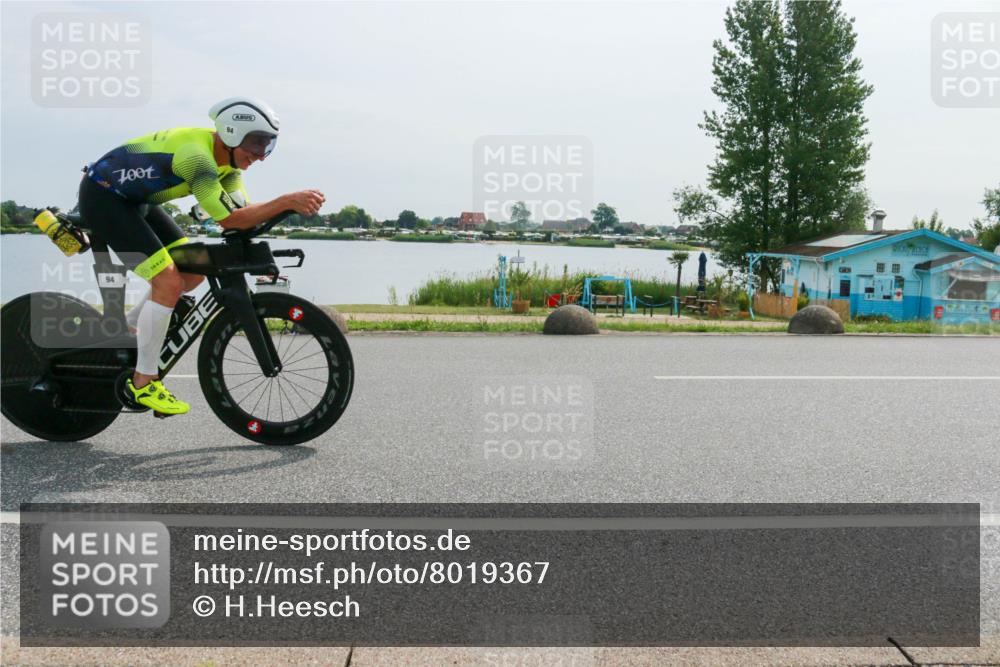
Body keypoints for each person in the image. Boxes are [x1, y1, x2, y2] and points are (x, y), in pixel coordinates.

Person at [77, 97, 325, 415]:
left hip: (136, 202)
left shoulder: (228, 167)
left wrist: (281, 209)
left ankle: (131, 331)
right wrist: (286, 201)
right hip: (104, 197)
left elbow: (243, 214)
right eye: (257, 144)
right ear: (232, 134)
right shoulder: (198, 159)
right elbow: (230, 220)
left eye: (268, 146)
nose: (261, 156)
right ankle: (142, 383)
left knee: (193, 270)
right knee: (167, 280)